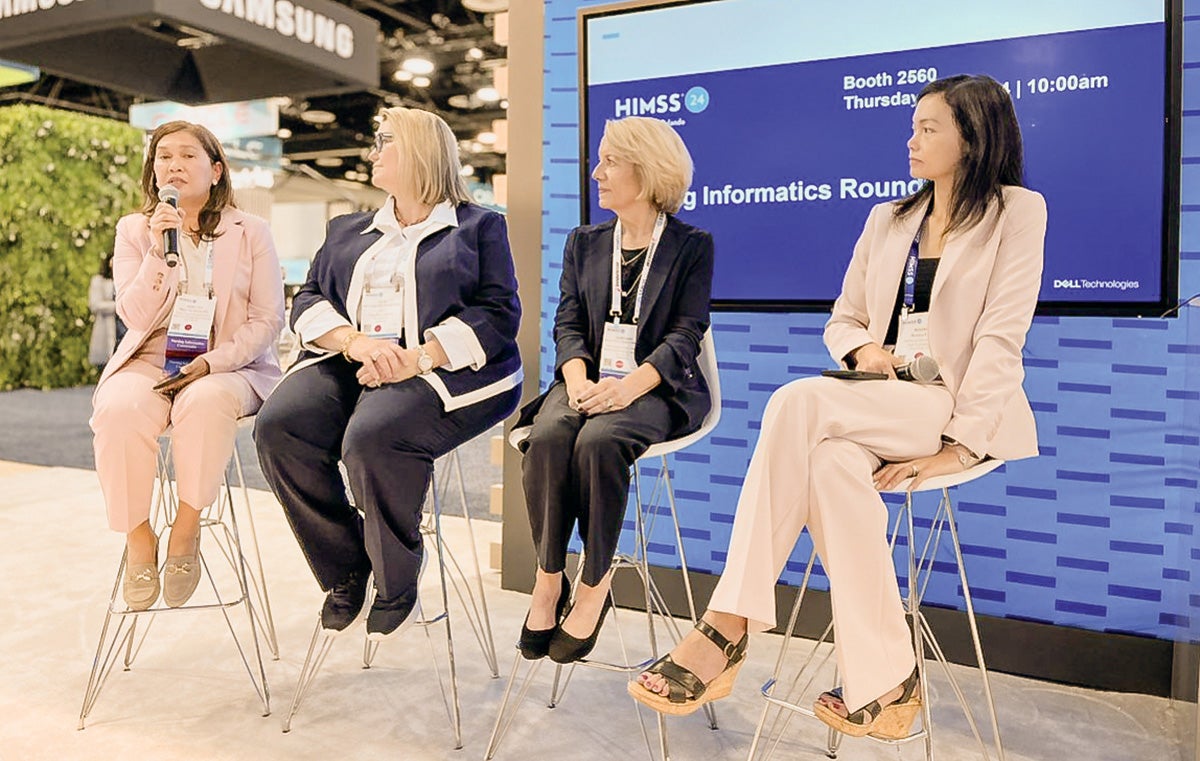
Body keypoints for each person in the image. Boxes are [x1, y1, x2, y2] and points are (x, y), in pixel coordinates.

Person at [629, 74, 1047, 740]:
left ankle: (726, 626)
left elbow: (1002, 337)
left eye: (928, 128)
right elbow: (844, 319)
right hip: (882, 395)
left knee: (797, 401)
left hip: (955, 405)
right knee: (827, 464)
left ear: (972, 135)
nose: (911, 140)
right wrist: (863, 355)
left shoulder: (1017, 212)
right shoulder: (889, 218)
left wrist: (961, 442)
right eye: (911, 126)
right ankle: (888, 681)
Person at [253, 107, 522, 640]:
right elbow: (308, 298)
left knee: (373, 436)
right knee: (279, 428)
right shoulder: (347, 230)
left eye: (384, 143)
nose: (372, 153)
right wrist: (354, 343)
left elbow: (498, 315)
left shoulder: (479, 227)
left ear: (421, 151)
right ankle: (346, 567)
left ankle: (397, 575)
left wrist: (418, 357)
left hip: (442, 366)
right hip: (352, 358)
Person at [513, 116, 713, 664]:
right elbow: (569, 322)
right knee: (550, 434)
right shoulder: (584, 241)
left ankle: (595, 583)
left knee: (599, 443)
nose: (596, 172)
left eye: (609, 162)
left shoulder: (693, 245)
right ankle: (550, 578)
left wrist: (627, 390)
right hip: (586, 379)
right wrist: (578, 379)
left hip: (654, 387)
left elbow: (685, 333)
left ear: (646, 173)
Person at [91, 120, 285, 611]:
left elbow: (267, 319)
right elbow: (134, 316)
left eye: (187, 156)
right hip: (153, 357)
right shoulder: (135, 230)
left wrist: (213, 362)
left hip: (229, 364)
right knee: (118, 407)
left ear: (216, 170)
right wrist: (160, 249)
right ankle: (139, 536)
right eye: (163, 157)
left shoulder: (251, 231)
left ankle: (186, 524)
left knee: (204, 400)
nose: (173, 165)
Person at [87, 256, 121, 368]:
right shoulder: (99, 281)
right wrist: (120, 306)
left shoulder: (124, 279)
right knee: (105, 365)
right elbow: (95, 305)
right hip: (107, 329)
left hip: (124, 328)